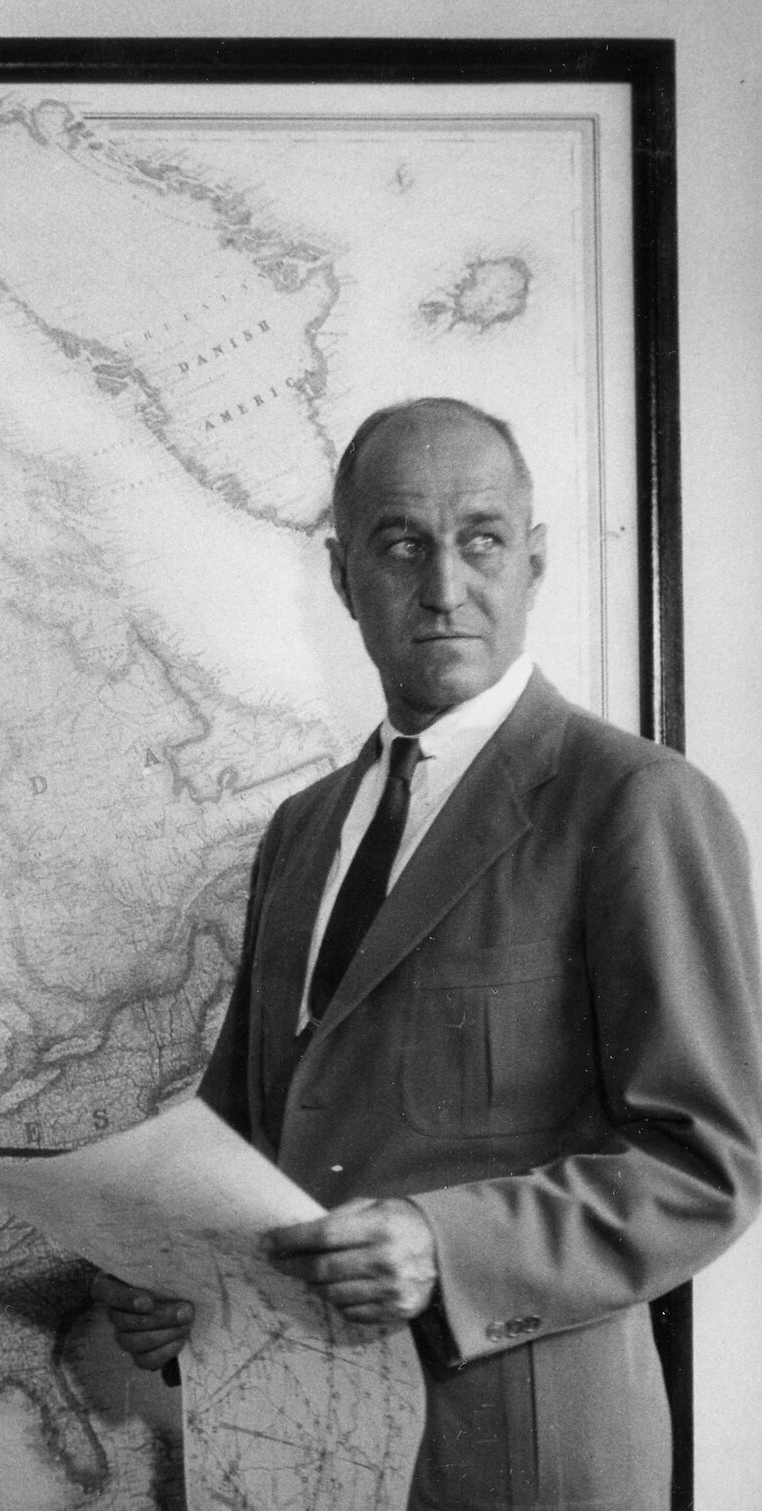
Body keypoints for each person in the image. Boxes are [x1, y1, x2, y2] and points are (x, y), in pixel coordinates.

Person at [93, 398, 762, 1509]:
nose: (443, 585)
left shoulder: (634, 804)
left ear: (534, 561)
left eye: (481, 538)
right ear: (342, 575)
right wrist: (171, 1273)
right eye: (400, 542)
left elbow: (705, 1164)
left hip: (522, 1464)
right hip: (292, 1450)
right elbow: (245, 1136)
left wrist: (442, 1245)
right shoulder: (301, 831)